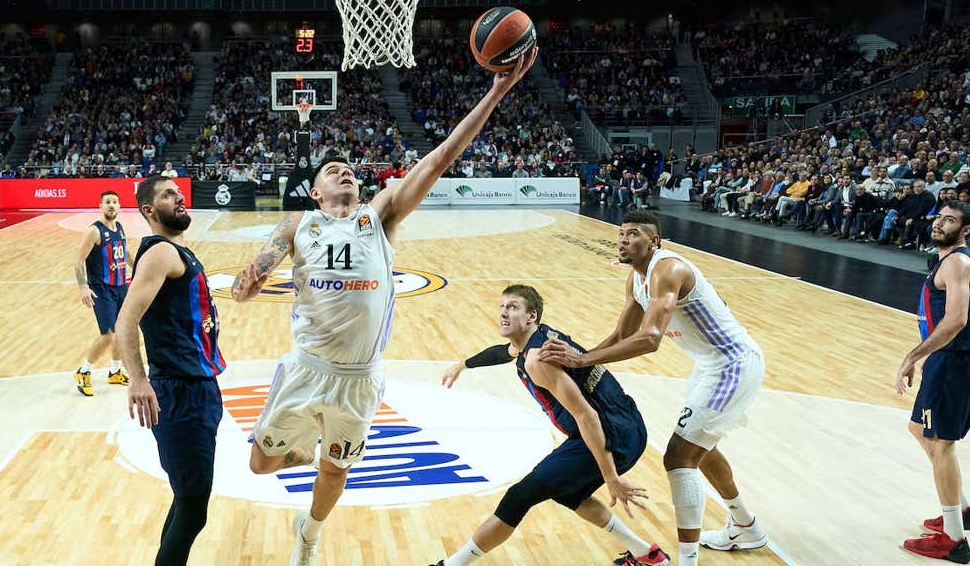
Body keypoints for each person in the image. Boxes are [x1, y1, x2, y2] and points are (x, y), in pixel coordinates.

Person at [232, 49, 538, 566]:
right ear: (315, 191)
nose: (344, 172)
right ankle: (302, 450)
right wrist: (249, 285)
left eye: (349, 168)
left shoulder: (381, 215)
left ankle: (308, 533)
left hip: (360, 377)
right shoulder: (296, 226)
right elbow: (243, 289)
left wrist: (497, 91)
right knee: (262, 464)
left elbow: (441, 156)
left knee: (336, 471)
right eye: (332, 170)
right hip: (306, 368)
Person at [539, 210, 767, 566]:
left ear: (654, 241)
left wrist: (582, 361)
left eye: (632, 234)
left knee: (679, 458)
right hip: (709, 367)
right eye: (620, 234)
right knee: (700, 451)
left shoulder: (668, 269)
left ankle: (688, 561)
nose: (623, 240)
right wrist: (578, 361)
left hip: (733, 365)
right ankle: (745, 525)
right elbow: (622, 335)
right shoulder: (635, 279)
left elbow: (649, 339)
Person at [434, 285, 667, 566]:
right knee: (569, 493)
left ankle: (451, 564)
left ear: (531, 316)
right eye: (502, 307)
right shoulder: (538, 338)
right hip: (627, 423)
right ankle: (647, 554)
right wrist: (463, 365)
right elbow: (505, 352)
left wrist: (611, 478)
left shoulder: (538, 360)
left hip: (611, 433)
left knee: (518, 497)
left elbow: (586, 416)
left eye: (513, 307)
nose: (503, 313)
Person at [115, 176, 225, 565]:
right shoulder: (160, 253)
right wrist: (138, 380)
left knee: (186, 499)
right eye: (167, 195)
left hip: (197, 388)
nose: (179, 198)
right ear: (149, 210)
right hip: (180, 393)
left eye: (178, 193)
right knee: (194, 510)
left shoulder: (174, 251)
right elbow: (125, 321)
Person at [896, 201, 970, 564]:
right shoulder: (969, 263)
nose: (939, 223)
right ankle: (963, 510)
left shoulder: (957, 263)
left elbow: (954, 321)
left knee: (941, 445)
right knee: (919, 429)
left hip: (956, 363)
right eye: (939, 217)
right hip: (958, 361)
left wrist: (913, 356)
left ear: (966, 229)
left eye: (949, 220)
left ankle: (954, 540)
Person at [73, 191, 135, 396]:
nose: (111, 205)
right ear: (100, 205)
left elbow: (124, 252)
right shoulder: (94, 231)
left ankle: (115, 371)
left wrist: (138, 268)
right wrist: (83, 287)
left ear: (120, 206)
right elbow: (78, 260)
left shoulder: (120, 227)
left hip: (121, 287)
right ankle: (84, 371)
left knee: (121, 332)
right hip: (102, 289)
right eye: (107, 202)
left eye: (115, 202)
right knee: (108, 335)